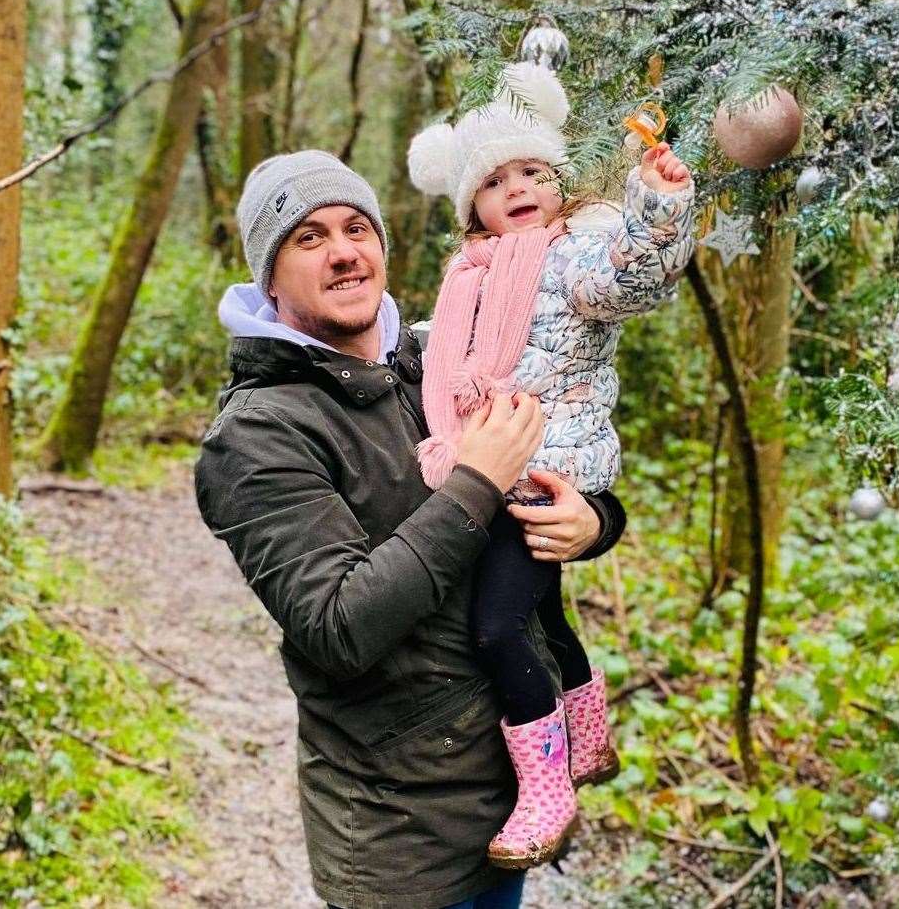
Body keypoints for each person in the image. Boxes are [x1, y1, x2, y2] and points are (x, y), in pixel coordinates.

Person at [194, 150, 627, 909]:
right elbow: (338, 626)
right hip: (402, 839)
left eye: (357, 227)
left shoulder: (444, 356)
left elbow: (568, 451)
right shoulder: (258, 434)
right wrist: (477, 482)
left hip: (511, 787)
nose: (342, 251)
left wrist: (594, 522)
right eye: (307, 237)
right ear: (269, 275)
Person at [406, 62, 694, 867]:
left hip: (546, 473)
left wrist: (659, 205)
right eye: (496, 180)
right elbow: (446, 359)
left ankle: (549, 787)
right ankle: (589, 739)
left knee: (498, 627)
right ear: (475, 208)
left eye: (533, 170)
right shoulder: (471, 275)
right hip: (503, 471)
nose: (518, 187)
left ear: (557, 180)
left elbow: (630, 280)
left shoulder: (572, 257)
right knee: (550, 618)